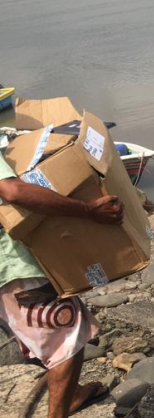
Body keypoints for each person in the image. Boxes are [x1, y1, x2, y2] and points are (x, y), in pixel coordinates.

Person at [0, 156, 124, 418]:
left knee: (31, 337)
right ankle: (60, 411)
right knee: (66, 335)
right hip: (12, 267)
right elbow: (13, 191)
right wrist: (89, 210)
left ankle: (74, 393)